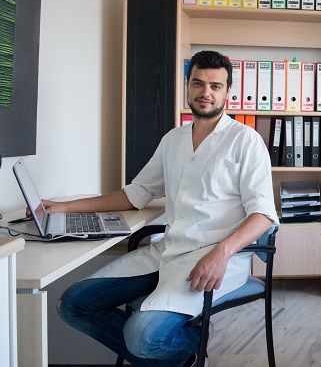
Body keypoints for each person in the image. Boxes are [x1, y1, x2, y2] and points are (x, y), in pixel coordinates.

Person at [51, 50, 278, 367]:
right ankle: (181, 352)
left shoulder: (246, 141)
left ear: (228, 91)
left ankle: (188, 344)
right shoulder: (173, 139)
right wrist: (63, 207)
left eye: (215, 86)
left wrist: (222, 253)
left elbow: (264, 215)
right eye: (198, 83)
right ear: (187, 85)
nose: (205, 92)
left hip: (216, 259)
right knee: (73, 304)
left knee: (142, 337)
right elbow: (136, 194)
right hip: (167, 251)